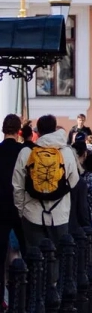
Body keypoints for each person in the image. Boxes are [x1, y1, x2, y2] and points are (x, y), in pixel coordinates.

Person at [13, 114, 80, 249]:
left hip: (32, 213)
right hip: (59, 214)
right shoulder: (67, 152)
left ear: (38, 131)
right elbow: (74, 181)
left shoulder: (26, 152)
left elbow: (17, 186)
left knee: (34, 259)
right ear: (55, 129)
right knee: (58, 257)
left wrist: (21, 211)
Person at [0, 115, 27, 296]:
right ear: (19, 131)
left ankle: (0, 297)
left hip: (0, 207)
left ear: (3, 130)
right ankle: (26, 293)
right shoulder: (24, 151)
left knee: (0, 254)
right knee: (26, 250)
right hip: (21, 206)